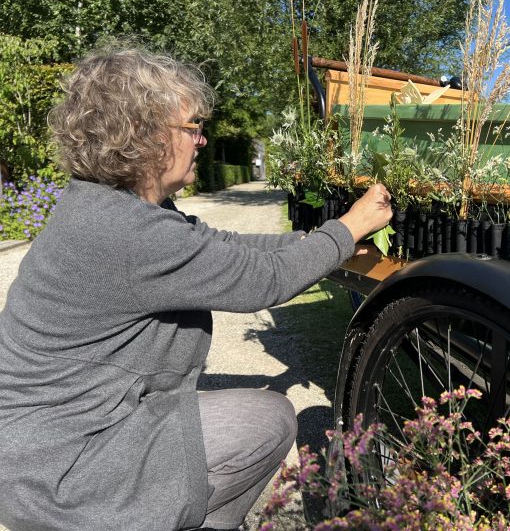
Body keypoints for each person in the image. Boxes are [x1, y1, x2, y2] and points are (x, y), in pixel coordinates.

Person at [0, 46, 392, 531]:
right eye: (191, 127)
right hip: (61, 467)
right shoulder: (124, 232)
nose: (202, 141)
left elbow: (221, 245)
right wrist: (349, 228)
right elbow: (262, 282)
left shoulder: (108, 209)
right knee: (265, 419)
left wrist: (313, 241)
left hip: (44, 444)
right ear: (142, 135)